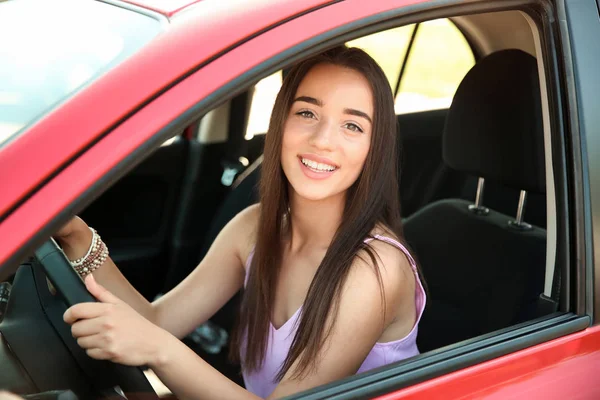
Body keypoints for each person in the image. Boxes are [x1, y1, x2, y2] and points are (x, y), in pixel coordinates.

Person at [54, 46, 427, 400]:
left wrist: (157, 348)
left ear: (374, 149)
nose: (323, 141)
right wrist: (76, 236)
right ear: (281, 122)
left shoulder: (375, 269)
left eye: (352, 126)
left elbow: (155, 336)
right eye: (307, 113)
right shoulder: (254, 227)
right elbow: (158, 319)